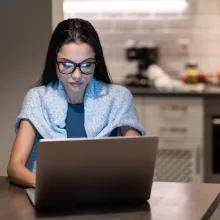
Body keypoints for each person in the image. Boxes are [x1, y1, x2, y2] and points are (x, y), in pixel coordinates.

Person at [7, 18, 145, 188]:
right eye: (66, 65)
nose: (77, 75)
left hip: (106, 198)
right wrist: (50, 186)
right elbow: (15, 167)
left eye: (86, 64)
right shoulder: (37, 98)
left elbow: (137, 163)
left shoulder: (119, 97)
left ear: (97, 62)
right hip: (51, 197)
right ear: (54, 62)